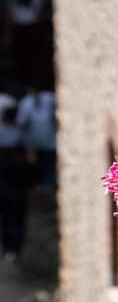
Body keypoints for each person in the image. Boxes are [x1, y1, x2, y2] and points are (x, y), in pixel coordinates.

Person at [0, 104, 26, 262]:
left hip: (3, 183)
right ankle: (15, 249)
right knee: (17, 217)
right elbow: (30, 161)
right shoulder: (21, 137)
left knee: (5, 218)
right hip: (17, 184)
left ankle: (6, 248)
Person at [17, 86, 55, 188]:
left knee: (49, 166)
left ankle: (48, 186)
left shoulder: (50, 98)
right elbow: (22, 124)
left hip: (50, 141)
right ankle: (40, 187)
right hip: (34, 141)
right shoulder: (26, 103)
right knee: (38, 167)